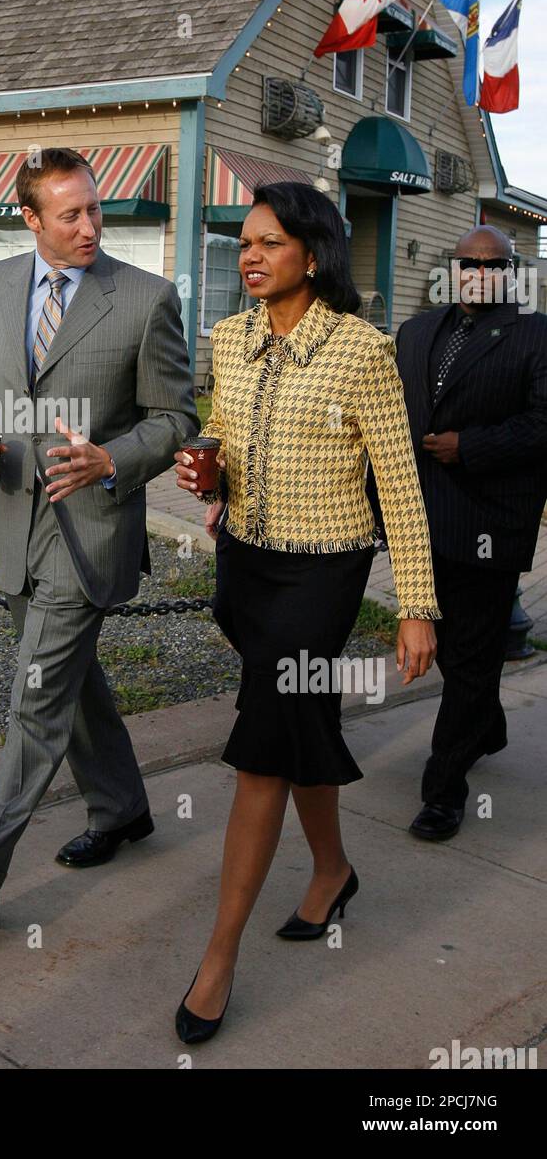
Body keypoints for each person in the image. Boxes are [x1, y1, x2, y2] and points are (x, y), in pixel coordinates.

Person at [171, 181, 439, 1044]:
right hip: (245, 563)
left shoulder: (363, 350)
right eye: (244, 242)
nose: (249, 256)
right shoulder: (229, 336)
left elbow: (399, 478)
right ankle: (332, 870)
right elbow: (224, 430)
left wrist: (417, 607)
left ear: (313, 256)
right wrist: (208, 475)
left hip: (323, 575)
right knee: (299, 727)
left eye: (270, 243)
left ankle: (218, 958)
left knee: (261, 748)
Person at [0, 147, 200, 939]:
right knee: (70, 683)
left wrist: (114, 458)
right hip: (15, 521)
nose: (89, 225)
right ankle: (123, 808)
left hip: (94, 529)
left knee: (35, 700)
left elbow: (178, 418)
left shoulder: (146, 299)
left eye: (94, 209)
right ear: (30, 219)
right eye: (70, 214)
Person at [369, 224, 547, 842]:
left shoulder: (536, 334)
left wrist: (470, 446)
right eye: (466, 263)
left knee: (471, 657)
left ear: (511, 271)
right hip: (421, 522)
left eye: (490, 264)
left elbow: (544, 421)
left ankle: (443, 792)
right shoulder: (417, 331)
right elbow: (388, 418)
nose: (476, 272)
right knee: (451, 648)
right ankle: (486, 725)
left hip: (490, 521)